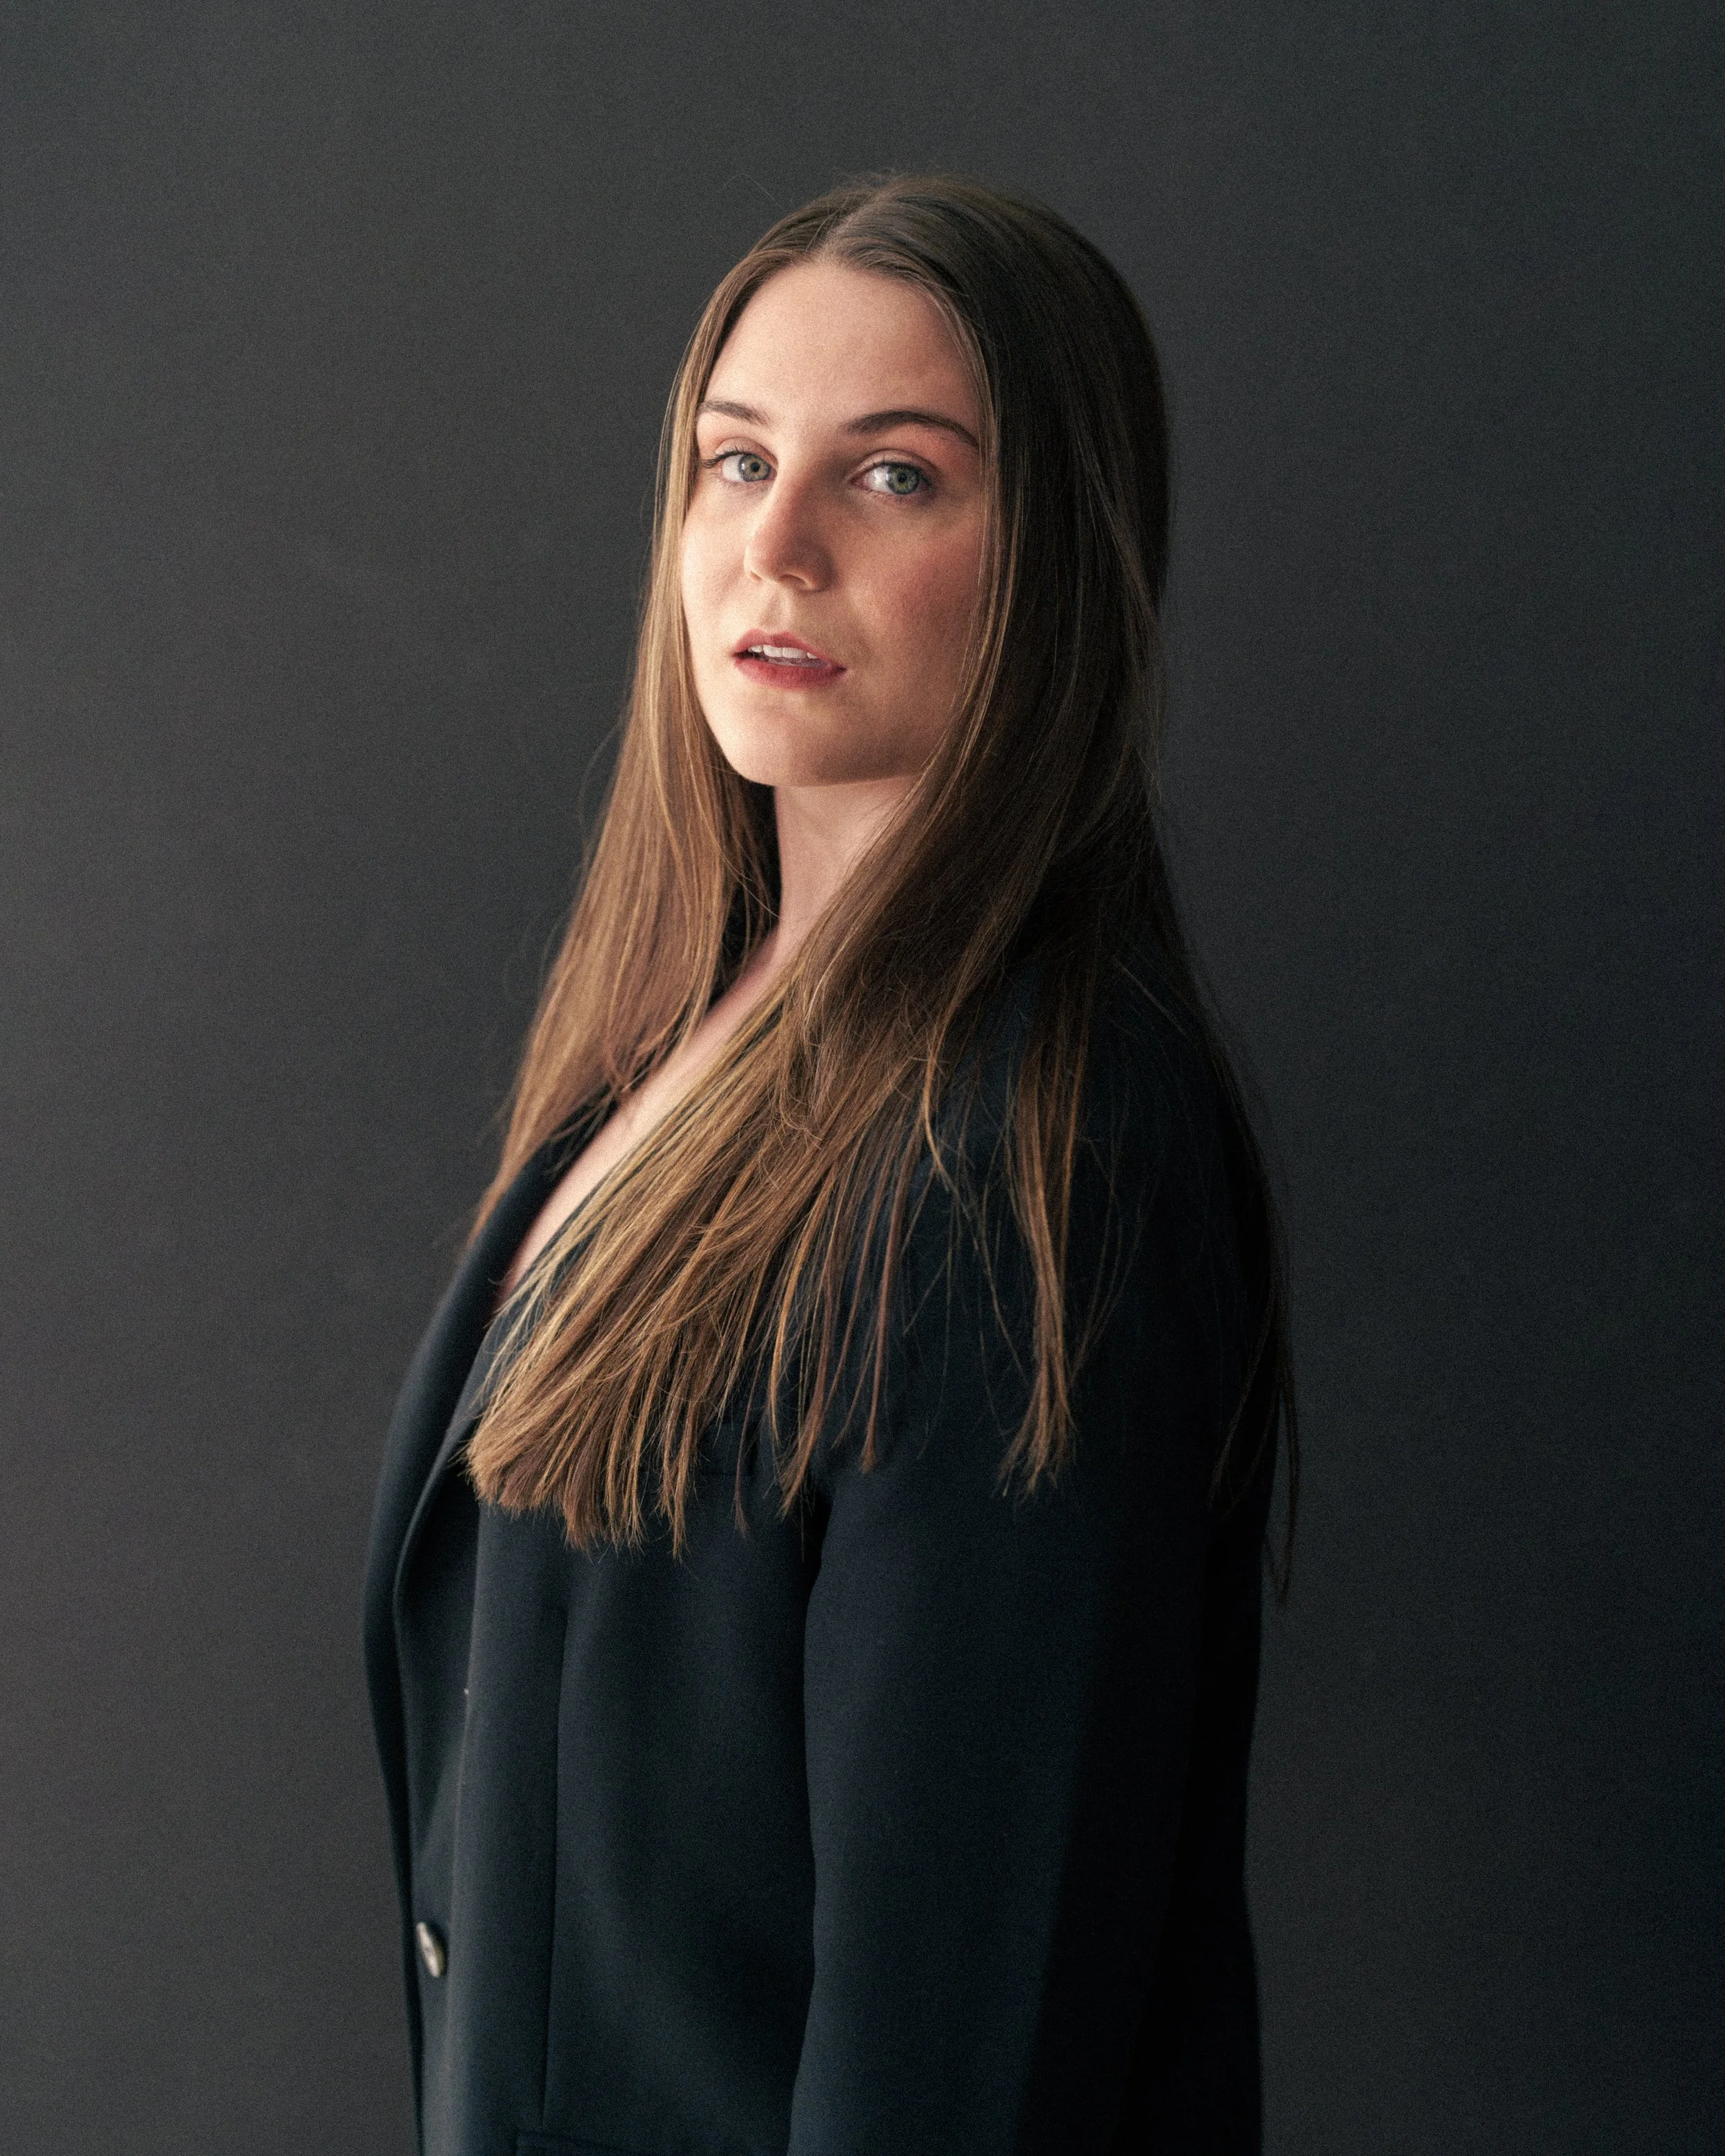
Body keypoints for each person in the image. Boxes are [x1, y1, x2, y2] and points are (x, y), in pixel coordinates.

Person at [363, 171, 1297, 2156]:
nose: (770, 546)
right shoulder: (663, 1050)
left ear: (1049, 555)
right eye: (731, 462)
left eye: (891, 480)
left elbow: (956, 2024)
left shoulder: (1038, 1151)